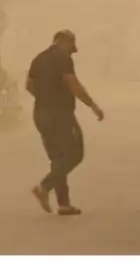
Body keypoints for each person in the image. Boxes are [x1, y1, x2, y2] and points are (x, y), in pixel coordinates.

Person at [26, 29, 105, 215]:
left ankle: (63, 203)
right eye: (72, 47)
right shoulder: (62, 58)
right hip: (60, 115)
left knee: (58, 158)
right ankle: (44, 187)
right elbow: (73, 85)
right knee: (75, 153)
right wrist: (93, 105)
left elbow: (29, 85)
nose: (73, 51)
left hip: (40, 114)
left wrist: (45, 97)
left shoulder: (38, 59)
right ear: (64, 42)